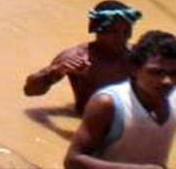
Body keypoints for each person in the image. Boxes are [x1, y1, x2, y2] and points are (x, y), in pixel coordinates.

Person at [64, 30, 176, 169]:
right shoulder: (108, 103)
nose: (167, 81)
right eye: (156, 72)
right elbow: (73, 161)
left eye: (174, 73)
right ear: (134, 69)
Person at [25, 0, 143, 114]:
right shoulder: (76, 57)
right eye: (114, 31)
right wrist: (56, 70)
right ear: (97, 30)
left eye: (126, 31)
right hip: (90, 124)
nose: (122, 37)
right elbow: (30, 91)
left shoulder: (138, 56)